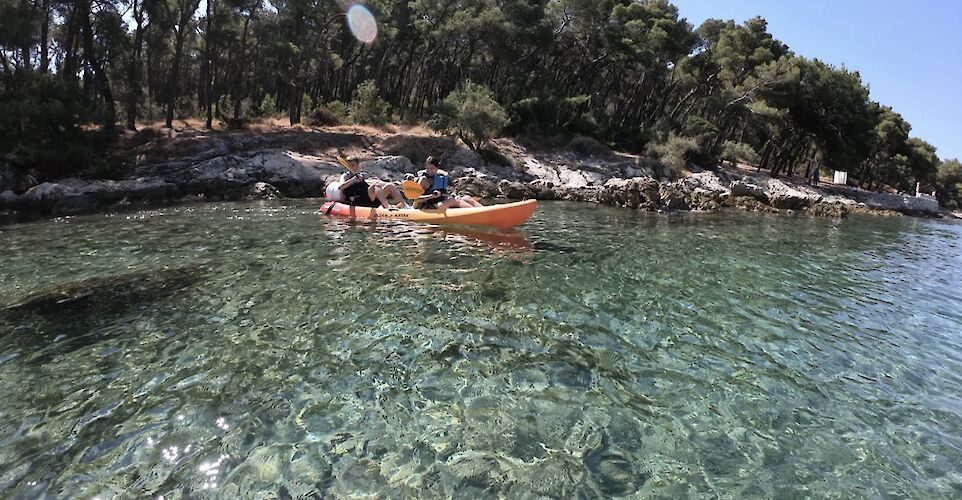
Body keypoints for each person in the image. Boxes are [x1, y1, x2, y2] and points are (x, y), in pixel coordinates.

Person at [337, 157, 410, 209]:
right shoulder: (345, 175)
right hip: (358, 200)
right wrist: (353, 180)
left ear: (357, 166)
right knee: (375, 186)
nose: (351, 167)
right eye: (350, 165)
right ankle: (387, 207)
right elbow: (340, 187)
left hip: (369, 198)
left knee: (390, 186)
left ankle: (406, 206)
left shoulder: (361, 175)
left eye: (353, 165)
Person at [413, 156, 482, 209]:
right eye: (427, 168)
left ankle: (485, 210)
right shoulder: (423, 179)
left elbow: (444, 194)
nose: (429, 171)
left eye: (431, 169)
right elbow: (416, 198)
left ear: (437, 168)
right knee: (455, 200)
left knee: (467, 198)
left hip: (441, 201)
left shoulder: (440, 177)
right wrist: (431, 196)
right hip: (429, 205)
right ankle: (478, 214)